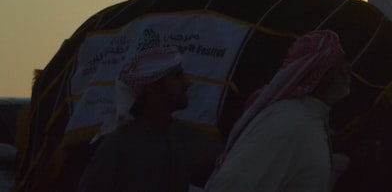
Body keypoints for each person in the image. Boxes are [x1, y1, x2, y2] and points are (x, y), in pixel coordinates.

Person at [205, 30, 352, 192]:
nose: (349, 71)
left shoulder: (310, 118)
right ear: (327, 76)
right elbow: (235, 185)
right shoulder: (288, 121)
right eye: (344, 63)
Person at [78, 46, 221, 192]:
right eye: (177, 77)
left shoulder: (190, 140)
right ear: (153, 87)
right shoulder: (117, 147)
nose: (187, 82)